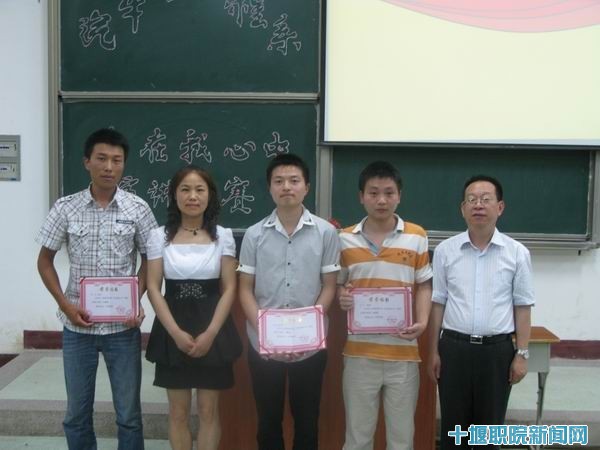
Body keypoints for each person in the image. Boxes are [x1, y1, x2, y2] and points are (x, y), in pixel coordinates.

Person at [36, 128, 157, 450]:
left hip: (123, 329)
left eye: (117, 160)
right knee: (76, 414)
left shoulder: (138, 208)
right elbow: (44, 262)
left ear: (124, 165)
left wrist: (136, 299)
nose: (109, 167)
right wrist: (65, 305)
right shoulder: (66, 207)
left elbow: (151, 261)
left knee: (129, 415)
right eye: (101, 158)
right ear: (87, 162)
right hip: (78, 328)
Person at [238, 153, 340, 450]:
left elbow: (329, 286)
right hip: (263, 345)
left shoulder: (326, 233)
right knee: (267, 420)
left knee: (307, 420)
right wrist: (266, 332)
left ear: (306, 187)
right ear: (270, 187)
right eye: (279, 181)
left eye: (294, 181)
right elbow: (245, 289)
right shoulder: (254, 234)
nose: (286, 187)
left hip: (310, 346)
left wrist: (309, 332)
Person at [428, 175, 534, 450]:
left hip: (496, 353)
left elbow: (522, 306)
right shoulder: (445, 251)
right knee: (454, 433)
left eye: (486, 199)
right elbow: (438, 303)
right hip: (454, 350)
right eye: (472, 200)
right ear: (462, 208)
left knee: (489, 433)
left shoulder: (517, 253)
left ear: (500, 207)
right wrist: (433, 351)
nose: (478, 205)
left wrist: (522, 354)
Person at [144, 166, 241, 450]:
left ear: (210, 195)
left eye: (200, 190)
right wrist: (175, 333)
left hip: (213, 327)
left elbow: (229, 288)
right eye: (185, 189)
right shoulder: (158, 236)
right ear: (174, 195)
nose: (192, 196)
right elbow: (153, 287)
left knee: (209, 411)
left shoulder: (223, 236)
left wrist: (211, 333)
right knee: (178, 412)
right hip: (172, 326)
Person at [338, 161, 433, 450]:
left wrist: (423, 322)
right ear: (361, 197)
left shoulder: (416, 236)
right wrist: (343, 296)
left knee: (401, 440)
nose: (381, 200)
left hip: (402, 354)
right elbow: (338, 284)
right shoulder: (344, 238)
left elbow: (424, 285)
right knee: (357, 438)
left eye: (389, 193)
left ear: (399, 196)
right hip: (359, 355)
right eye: (373, 193)